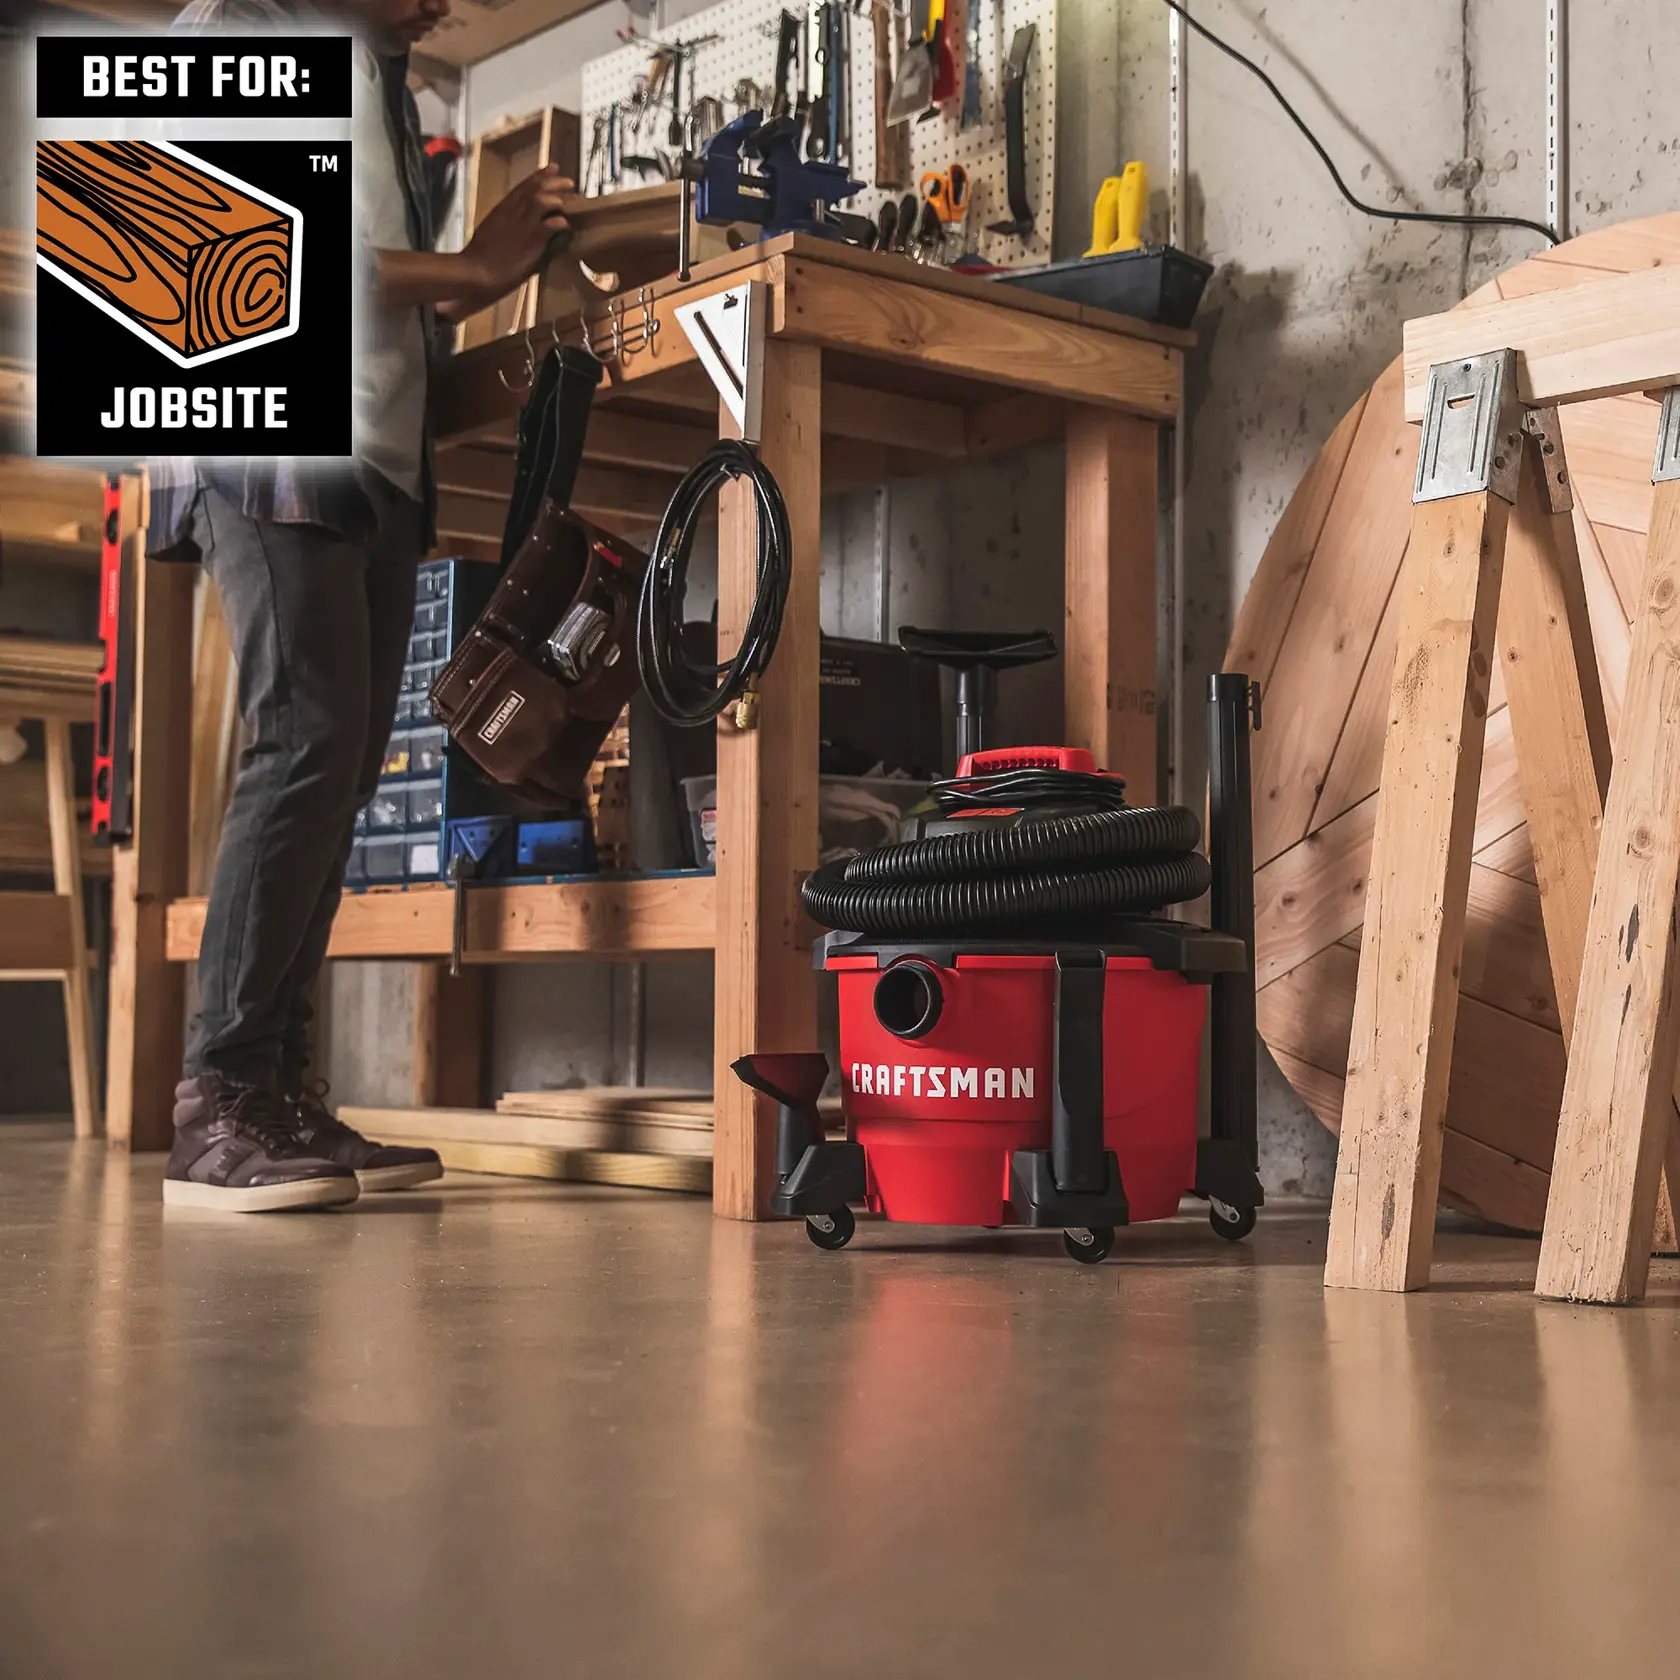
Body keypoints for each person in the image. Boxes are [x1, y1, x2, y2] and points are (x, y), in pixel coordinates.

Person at [155, 0, 571, 1210]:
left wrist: (477, 279)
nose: (446, 3)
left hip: (377, 457)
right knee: (306, 739)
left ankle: (275, 1090)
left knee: (339, 761)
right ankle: (215, 1105)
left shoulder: (386, 77)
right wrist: (479, 267)